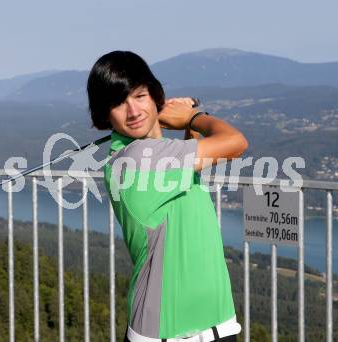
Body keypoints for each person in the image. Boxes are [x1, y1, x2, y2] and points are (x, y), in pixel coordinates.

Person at [87, 51, 248, 342]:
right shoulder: (136, 159)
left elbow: (187, 179)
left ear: (155, 97)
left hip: (217, 324)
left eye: (140, 96)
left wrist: (185, 128)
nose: (133, 111)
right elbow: (235, 143)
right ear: (104, 115)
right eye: (118, 103)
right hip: (166, 333)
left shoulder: (161, 158)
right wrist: (194, 117)